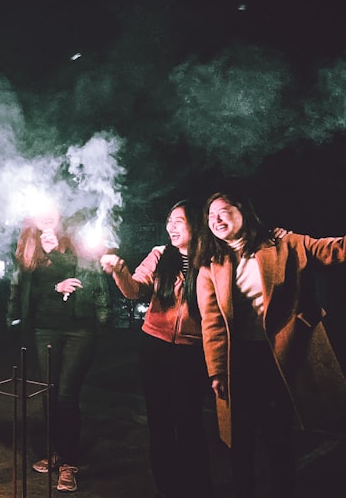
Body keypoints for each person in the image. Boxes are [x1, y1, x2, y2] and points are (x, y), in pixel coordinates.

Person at [195, 191, 346, 498]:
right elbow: (212, 322)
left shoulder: (285, 244)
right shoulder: (210, 266)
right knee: (240, 440)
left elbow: (338, 249)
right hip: (239, 361)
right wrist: (217, 371)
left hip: (280, 356)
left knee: (278, 438)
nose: (216, 219)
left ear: (243, 211)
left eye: (223, 211)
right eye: (210, 216)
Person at [100, 200, 213, 498]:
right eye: (169, 220)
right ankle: (168, 488)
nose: (170, 226)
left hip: (194, 350)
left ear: (197, 224)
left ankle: (197, 487)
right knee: (159, 420)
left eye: (179, 220)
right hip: (155, 346)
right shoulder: (160, 255)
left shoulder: (214, 258)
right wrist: (120, 269)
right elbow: (134, 289)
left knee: (188, 420)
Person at [7, 201, 109, 493]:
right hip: (44, 327)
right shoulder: (27, 245)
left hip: (79, 327)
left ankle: (68, 462)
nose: (46, 214)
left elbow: (88, 278)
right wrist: (53, 288)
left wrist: (55, 254)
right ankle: (56, 451)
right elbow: (25, 289)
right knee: (49, 393)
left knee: (66, 395)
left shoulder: (75, 240)